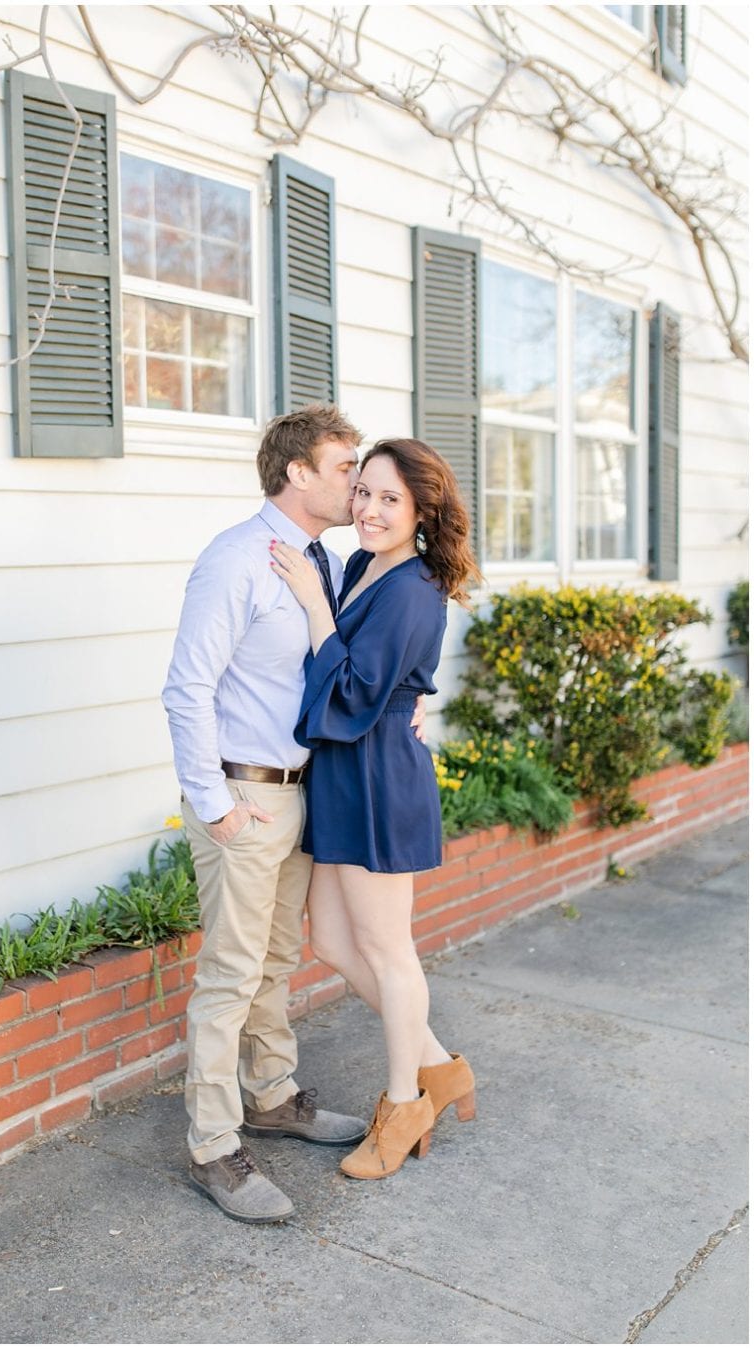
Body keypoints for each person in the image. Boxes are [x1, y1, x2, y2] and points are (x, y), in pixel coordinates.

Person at [162, 404, 424, 1225]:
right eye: (347, 468)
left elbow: (358, 668)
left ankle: (272, 1095)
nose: (359, 485)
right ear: (297, 474)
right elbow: (187, 688)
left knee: (276, 962)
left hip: (303, 793)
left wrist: (414, 707)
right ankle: (213, 1145)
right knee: (231, 976)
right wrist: (216, 806)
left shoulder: (333, 563)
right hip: (245, 796)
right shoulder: (235, 560)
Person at [268, 437, 482, 1180]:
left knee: (391, 951)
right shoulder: (361, 566)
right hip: (342, 772)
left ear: (422, 508)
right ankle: (436, 1065)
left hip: (379, 774)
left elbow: (358, 689)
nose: (369, 509)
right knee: (330, 936)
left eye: (390, 498)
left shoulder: (416, 585)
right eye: (363, 491)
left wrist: (311, 604)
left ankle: (404, 1103)